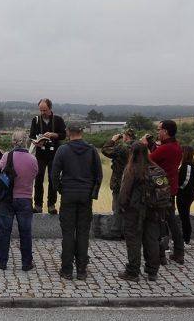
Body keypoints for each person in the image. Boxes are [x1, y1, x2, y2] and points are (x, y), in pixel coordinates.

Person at [52, 123, 102, 280]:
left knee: (68, 232)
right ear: (81, 131)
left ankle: (66, 269)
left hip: (68, 194)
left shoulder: (63, 150)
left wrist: (61, 189)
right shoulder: (92, 150)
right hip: (85, 196)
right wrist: (93, 193)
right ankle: (82, 270)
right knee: (83, 232)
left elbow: (54, 174)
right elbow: (98, 175)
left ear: (68, 132)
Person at [117, 143, 163, 282]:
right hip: (154, 210)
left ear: (132, 153)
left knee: (133, 241)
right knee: (151, 240)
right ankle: (152, 271)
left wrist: (122, 206)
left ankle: (132, 271)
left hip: (134, 211)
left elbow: (124, 192)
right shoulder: (156, 168)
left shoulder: (132, 169)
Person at [0, 131, 39, 271]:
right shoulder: (32, 159)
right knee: (25, 232)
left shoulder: (7, 156)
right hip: (25, 199)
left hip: (7, 198)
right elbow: (35, 174)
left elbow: (0, 167)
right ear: (26, 141)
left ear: (13, 141)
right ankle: (27, 263)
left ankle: (2, 261)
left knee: (4, 231)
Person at [142, 119, 184, 265]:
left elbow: (147, 160)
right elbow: (160, 157)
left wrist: (144, 146)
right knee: (170, 221)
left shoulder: (166, 148)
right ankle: (178, 251)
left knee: (161, 222)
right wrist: (154, 146)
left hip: (160, 191)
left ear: (165, 131)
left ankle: (163, 254)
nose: (157, 132)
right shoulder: (176, 146)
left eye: (159, 129)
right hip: (170, 188)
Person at [29, 98, 67, 214]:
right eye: (40, 110)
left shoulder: (58, 120)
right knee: (38, 179)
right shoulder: (35, 120)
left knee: (53, 179)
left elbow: (63, 135)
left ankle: (51, 205)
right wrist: (37, 141)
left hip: (54, 154)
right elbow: (31, 136)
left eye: (44, 110)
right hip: (40, 154)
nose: (42, 113)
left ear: (50, 108)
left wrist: (53, 135)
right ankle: (38, 205)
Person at [100, 128, 136, 240]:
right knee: (130, 208)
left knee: (117, 207)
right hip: (133, 182)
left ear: (125, 136)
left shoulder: (122, 148)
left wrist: (113, 140)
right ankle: (128, 232)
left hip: (120, 181)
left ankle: (116, 231)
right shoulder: (138, 147)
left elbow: (105, 150)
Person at [177, 145, 194, 248]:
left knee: (185, 216)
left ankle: (186, 240)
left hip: (185, 194)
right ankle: (184, 238)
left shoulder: (188, 165)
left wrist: (179, 188)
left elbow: (186, 181)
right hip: (184, 194)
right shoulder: (184, 164)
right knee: (183, 216)